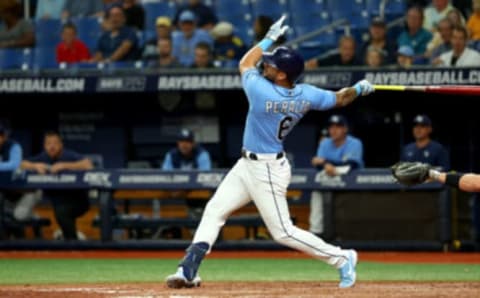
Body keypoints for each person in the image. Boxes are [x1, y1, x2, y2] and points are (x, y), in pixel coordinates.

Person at [165, 15, 375, 289]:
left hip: (266, 169)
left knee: (283, 232)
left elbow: (245, 62)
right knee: (215, 210)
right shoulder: (306, 94)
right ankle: (188, 269)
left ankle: (342, 257)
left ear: (282, 75)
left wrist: (268, 37)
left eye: (272, 65)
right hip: (248, 164)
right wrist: (359, 89)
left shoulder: (261, 90)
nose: (266, 65)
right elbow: (339, 98)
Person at [20, 131, 94, 240]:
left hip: (78, 201)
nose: (52, 146)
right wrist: (34, 165)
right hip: (58, 203)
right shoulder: (43, 157)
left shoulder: (68, 155)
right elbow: (21, 163)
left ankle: (73, 243)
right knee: (61, 212)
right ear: (44, 146)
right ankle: (72, 241)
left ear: (61, 145)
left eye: (55, 143)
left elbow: (88, 165)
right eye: (48, 143)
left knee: (62, 212)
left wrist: (64, 165)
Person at [309, 115, 364, 240]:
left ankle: (348, 234)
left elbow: (351, 164)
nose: (333, 130)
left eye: (338, 127)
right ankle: (315, 232)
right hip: (329, 176)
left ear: (345, 129)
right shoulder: (325, 143)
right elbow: (319, 166)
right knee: (317, 187)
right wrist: (325, 165)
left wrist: (326, 162)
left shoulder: (354, 143)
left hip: (351, 179)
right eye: (331, 127)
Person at [162, 128, 211, 220]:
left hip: (200, 195)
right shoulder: (172, 155)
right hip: (177, 194)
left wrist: (183, 190)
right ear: (178, 143)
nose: (184, 145)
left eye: (187, 141)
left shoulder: (202, 154)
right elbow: (166, 177)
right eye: (181, 141)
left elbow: (204, 177)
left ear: (193, 143)